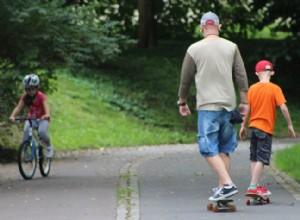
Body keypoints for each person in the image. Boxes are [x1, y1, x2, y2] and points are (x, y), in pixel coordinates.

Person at [177, 11, 249, 201]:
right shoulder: (231, 47)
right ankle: (222, 192)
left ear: (201, 27)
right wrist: (244, 102)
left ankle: (227, 184)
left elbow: (185, 80)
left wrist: (182, 102)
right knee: (224, 149)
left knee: (207, 148)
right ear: (219, 27)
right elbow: (241, 77)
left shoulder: (194, 49)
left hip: (208, 107)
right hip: (228, 106)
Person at [239, 60, 296, 195]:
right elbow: (283, 107)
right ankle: (253, 186)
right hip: (265, 129)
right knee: (262, 158)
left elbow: (247, 108)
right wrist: (289, 124)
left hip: (252, 128)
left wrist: (242, 125)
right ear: (272, 72)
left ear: (256, 73)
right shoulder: (275, 88)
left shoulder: (252, 88)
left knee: (254, 157)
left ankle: (255, 185)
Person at [9, 74, 54, 158]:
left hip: (42, 119)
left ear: (37, 88)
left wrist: (47, 115)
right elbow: (19, 108)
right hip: (32, 118)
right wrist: (13, 116)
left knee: (42, 132)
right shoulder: (25, 97)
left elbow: (46, 107)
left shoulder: (41, 96)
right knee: (26, 130)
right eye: (28, 89)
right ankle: (25, 150)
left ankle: (49, 146)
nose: (30, 91)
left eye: (33, 89)